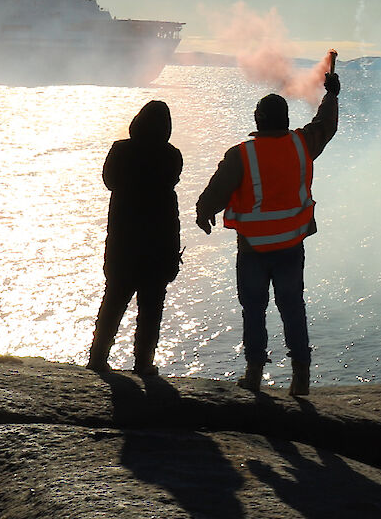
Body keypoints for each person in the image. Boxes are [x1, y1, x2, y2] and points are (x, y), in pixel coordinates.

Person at [195, 74, 340, 395]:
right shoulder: (302, 144)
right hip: (291, 244)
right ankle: (301, 376)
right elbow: (325, 124)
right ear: (286, 120)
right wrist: (331, 93)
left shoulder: (241, 154)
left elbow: (216, 192)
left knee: (254, 310)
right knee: (293, 307)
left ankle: (254, 373)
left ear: (257, 120)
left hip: (253, 249)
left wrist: (203, 213)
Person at [89, 100, 182, 377]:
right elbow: (172, 179)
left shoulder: (120, 150)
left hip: (123, 243)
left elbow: (109, 181)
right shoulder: (171, 155)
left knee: (113, 301)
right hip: (158, 243)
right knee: (151, 308)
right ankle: (143, 363)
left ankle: (98, 357)